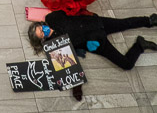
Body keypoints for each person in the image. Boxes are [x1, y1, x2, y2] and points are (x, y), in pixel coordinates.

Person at [28, 11, 157, 70]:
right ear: (42, 38)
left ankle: (150, 21)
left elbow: (69, 12)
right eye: (41, 33)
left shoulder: (51, 18)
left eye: (40, 28)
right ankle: (140, 45)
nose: (43, 30)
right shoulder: (55, 46)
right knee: (126, 64)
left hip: (95, 23)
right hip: (96, 42)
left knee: (124, 23)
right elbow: (69, 69)